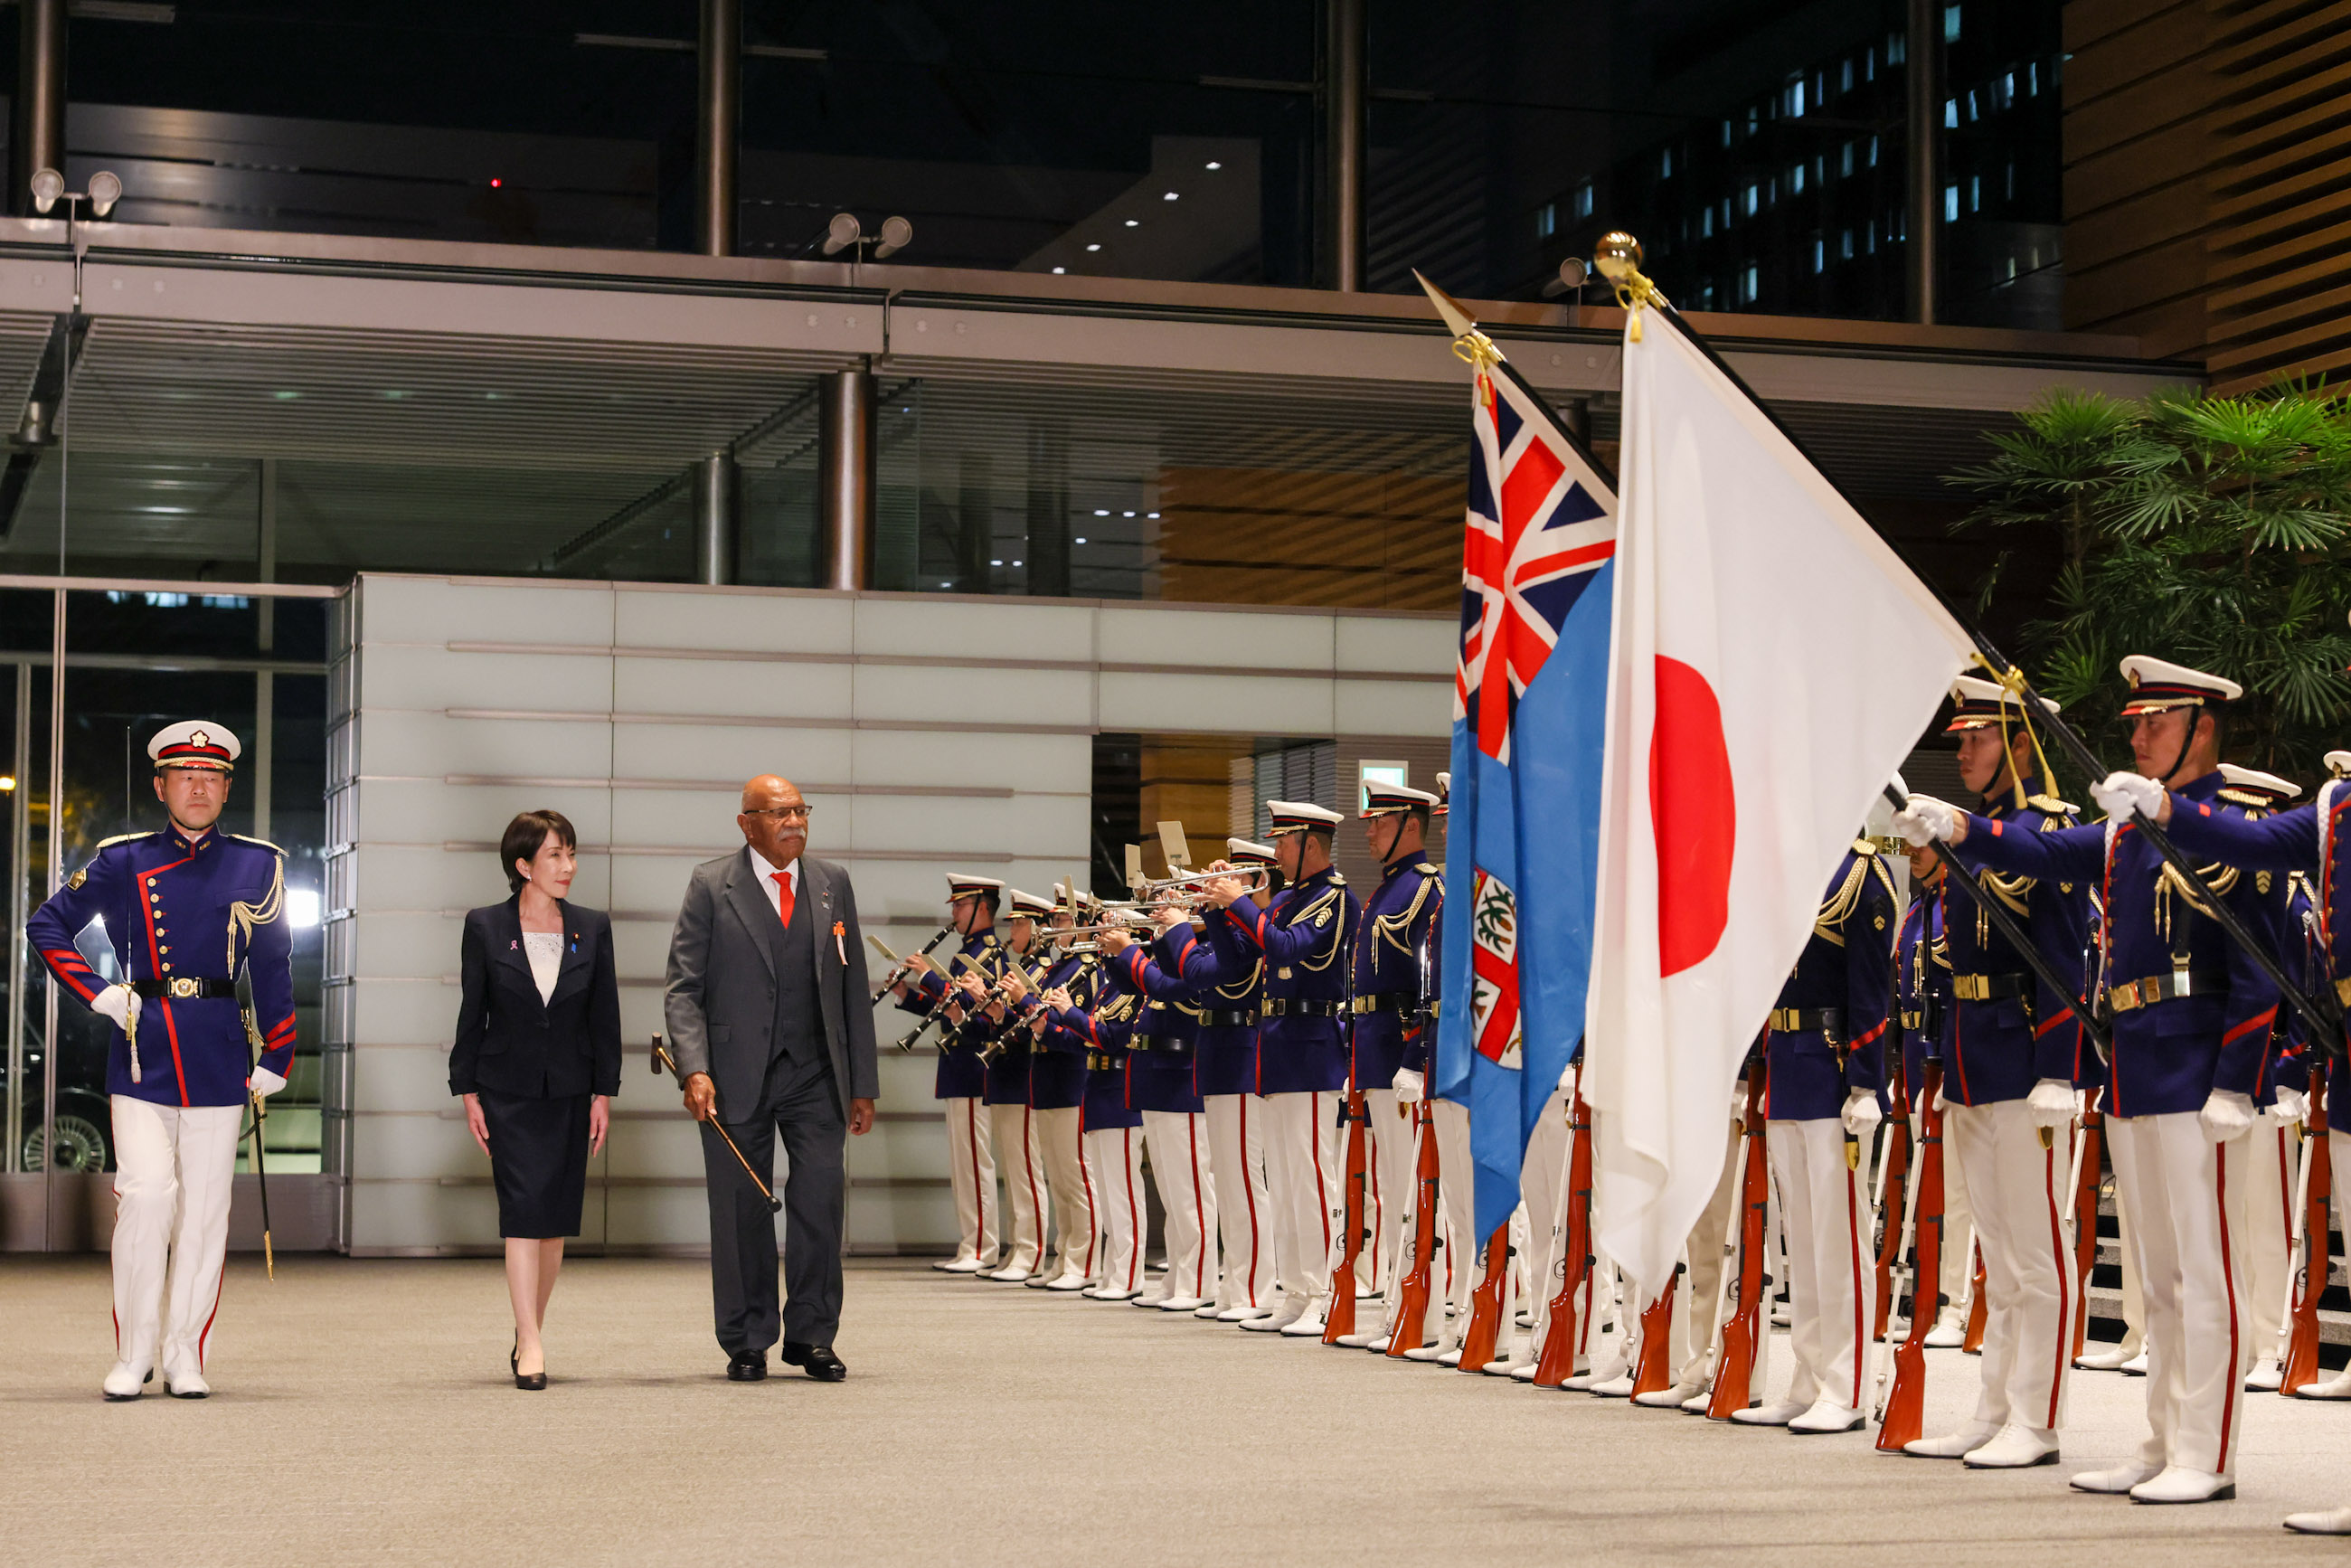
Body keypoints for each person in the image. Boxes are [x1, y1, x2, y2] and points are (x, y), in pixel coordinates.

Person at [1897, 656, 2287, 1504]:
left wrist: (2239, 1077)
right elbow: (2045, 853)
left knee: (2201, 1269)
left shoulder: (2226, 823)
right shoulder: (2122, 830)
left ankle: (2205, 1453)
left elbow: (2262, 964)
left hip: (2196, 1069)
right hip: (2138, 1065)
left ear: (2202, 726)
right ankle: (2159, 1443)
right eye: (2135, 723)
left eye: (2157, 721)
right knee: (2157, 1275)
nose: (2138, 735)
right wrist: (1964, 830)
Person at [31, 721, 296, 1402]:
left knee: (205, 1215)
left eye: (211, 776)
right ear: (160, 785)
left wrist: (280, 1051)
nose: (199, 786)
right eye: (184, 775)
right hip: (143, 1051)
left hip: (216, 1050)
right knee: (147, 1197)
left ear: (227, 786)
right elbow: (48, 925)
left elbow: (271, 965)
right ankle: (134, 1352)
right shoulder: (124, 860)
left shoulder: (257, 863)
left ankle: (185, 1355)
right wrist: (97, 994)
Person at [1900, 675, 2091, 1469]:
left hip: (2025, 1060)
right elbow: (1949, 961)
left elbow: (2067, 958)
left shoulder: (2045, 830)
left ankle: (2038, 1421)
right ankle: (1993, 1407)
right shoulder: (1973, 835)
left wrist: (2059, 1068)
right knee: (1998, 1252)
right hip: (1976, 1060)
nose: (1965, 753)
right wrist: (1942, 1060)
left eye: (1979, 739)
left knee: (2036, 1250)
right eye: (1960, 741)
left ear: (2020, 745)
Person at [665, 775, 878, 1384]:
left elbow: (852, 988)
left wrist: (862, 1082)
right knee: (741, 1210)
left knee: (818, 1200)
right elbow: (683, 988)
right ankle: (748, 1337)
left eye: (801, 811)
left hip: (817, 1075)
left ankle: (812, 1336)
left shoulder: (832, 883)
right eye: (779, 812)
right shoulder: (712, 885)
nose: (795, 822)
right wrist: (694, 1067)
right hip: (732, 1078)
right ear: (746, 823)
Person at [450, 809, 622, 1390]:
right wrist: (466, 1089)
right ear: (523, 865)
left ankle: (529, 1331)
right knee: (522, 1214)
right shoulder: (485, 925)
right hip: (507, 1089)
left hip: (573, 1090)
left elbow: (606, 1018)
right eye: (554, 855)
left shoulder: (593, 926)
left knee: (554, 1223)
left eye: (571, 853)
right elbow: (473, 1012)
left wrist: (605, 1092)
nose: (568, 866)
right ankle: (532, 1341)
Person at [1729, 837, 1894, 1433]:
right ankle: (1808, 1376)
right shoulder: (1783, 870)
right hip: (1789, 1066)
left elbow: (1873, 988)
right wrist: (1754, 1068)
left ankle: (1847, 1385)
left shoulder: (1859, 874)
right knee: (1800, 1236)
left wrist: (1867, 1083)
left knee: (1839, 1235)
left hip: (1833, 1073)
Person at [1204, 800, 1358, 1337]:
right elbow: (1240, 958)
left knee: (1313, 1176)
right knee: (1288, 1179)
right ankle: (1294, 1290)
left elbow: (1289, 947)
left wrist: (1241, 904)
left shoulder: (1334, 899)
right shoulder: (1290, 899)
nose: (1275, 852)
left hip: (1313, 1048)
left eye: (1283, 842)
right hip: (1277, 1048)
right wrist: (1216, 910)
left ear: (1309, 844)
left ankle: (1320, 1290)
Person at [1350, 785, 1444, 1330]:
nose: (1368, 832)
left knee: (1415, 1185)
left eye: (1379, 822)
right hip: (1373, 1051)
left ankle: (1425, 1305)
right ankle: (1398, 1297)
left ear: (1410, 825)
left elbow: (1427, 984)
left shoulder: (1424, 889)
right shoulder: (1385, 892)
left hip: (1401, 1054)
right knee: (1388, 1187)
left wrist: (1415, 1055)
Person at [1177, 840, 1279, 1323]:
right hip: (1218, 1057)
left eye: (1238, 874)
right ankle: (1236, 1281)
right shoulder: (1241, 928)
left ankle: (1255, 1288)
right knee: (1228, 1178)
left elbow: (1225, 973)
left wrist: (1220, 911)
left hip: (1240, 1057)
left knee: (1243, 1180)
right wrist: (1213, 908)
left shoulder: (1264, 930)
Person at [1098, 906, 1219, 1312]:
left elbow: (1166, 988)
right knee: (1170, 1189)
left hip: (1182, 1076)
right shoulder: (1172, 952)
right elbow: (1133, 985)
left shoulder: (1203, 952)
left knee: (1190, 1189)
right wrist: (1112, 953)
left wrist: (1130, 950)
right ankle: (1178, 1275)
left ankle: (1199, 1279)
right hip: (1157, 1075)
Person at [896, 874, 1006, 1275]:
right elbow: (952, 1010)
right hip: (958, 1065)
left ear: (982, 907)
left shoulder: (991, 955)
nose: (955, 913)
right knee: (964, 1163)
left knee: (975, 1162)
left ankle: (981, 1246)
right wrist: (908, 995)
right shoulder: (966, 953)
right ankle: (971, 1242)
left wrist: (929, 976)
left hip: (975, 1064)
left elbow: (981, 1014)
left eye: (960, 905)